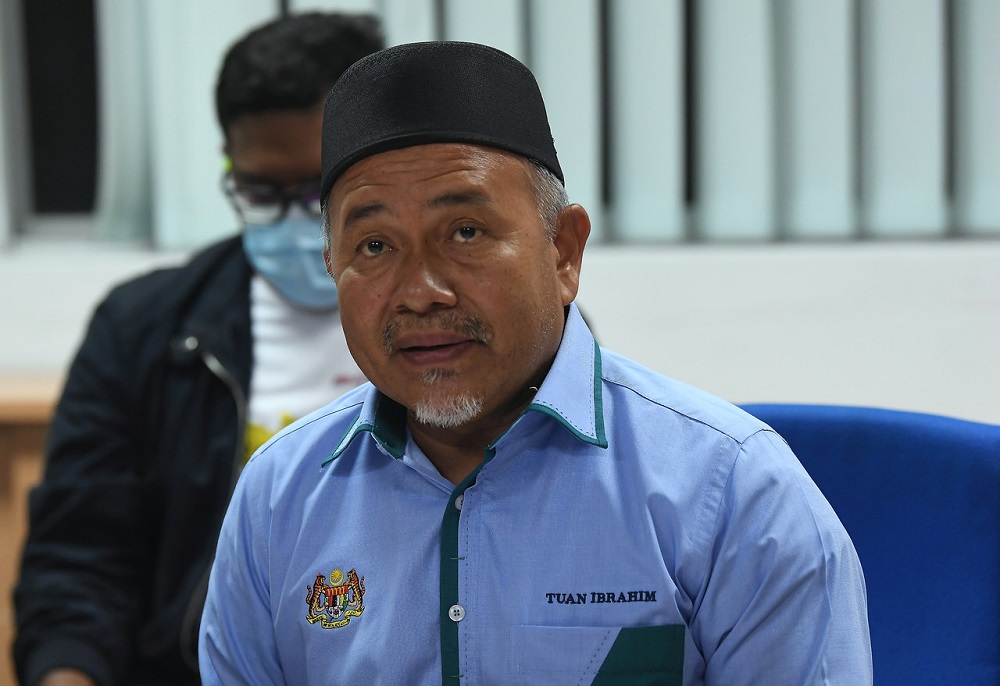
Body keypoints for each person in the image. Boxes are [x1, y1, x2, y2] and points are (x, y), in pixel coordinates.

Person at [200, 41, 873, 684]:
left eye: (465, 232)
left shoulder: (734, 494)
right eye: (374, 246)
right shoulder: (277, 499)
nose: (419, 292)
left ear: (563, 251)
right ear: (333, 270)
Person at [13, 13, 382, 686]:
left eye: (318, 191)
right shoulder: (143, 330)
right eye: (262, 194)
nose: (296, 222)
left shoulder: (481, 321)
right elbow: (77, 565)